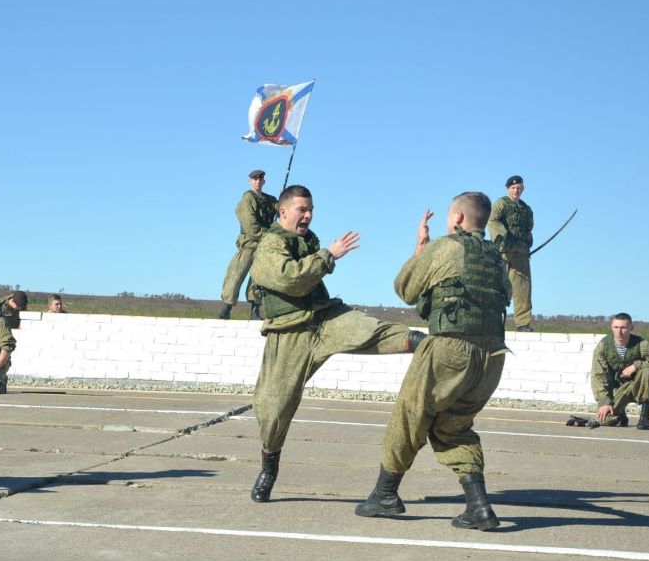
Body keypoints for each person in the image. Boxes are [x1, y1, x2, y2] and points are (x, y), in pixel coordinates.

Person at [247, 185, 424, 503]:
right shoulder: (270, 245)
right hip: (289, 332)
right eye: (302, 209)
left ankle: (423, 343)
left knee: (370, 330)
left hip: (325, 319)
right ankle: (269, 466)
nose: (308, 215)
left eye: (311, 209)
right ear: (283, 211)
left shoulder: (305, 241)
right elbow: (292, 280)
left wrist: (323, 254)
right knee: (274, 407)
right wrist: (328, 256)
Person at [356, 192, 511, 531]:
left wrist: (421, 249)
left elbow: (406, 288)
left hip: (449, 348)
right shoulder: (496, 258)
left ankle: (384, 495)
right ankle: (479, 507)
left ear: (457, 218)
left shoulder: (445, 247)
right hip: (491, 357)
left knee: (410, 416)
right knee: (454, 427)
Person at [588, 313, 649, 430]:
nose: (619, 331)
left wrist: (637, 365)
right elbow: (598, 376)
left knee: (647, 372)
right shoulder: (603, 346)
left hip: (638, 386)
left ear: (631, 328)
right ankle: (620, 415)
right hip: (618, 390)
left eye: (623, 327)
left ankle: (644, 418)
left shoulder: (642, 345)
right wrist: (604, 402)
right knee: (605, 420)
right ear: (612, 327)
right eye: (616, 327)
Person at [218, 169, 278, 320]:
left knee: (258, 278)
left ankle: (255, 309)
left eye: (260, 179)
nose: (257, 181)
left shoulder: (269, 199)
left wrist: (283, 200)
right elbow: (250, 225)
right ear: (250, 181)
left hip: (264, 246)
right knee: (236, 273)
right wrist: (266, 235)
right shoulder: (247, 199)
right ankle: (226, 308)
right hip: (250, 243)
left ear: (264, 181)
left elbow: (281, 209)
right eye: (255, 179)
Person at [487, 175, 534, 331]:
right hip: (503, 252)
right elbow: (493, 221)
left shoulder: (527, 209)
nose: (516, 190)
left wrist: (526, 246)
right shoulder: (501, 204)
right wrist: (506, 241)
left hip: (520, 254)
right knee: (497, 287)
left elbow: (528, 229)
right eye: (513, 188)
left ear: (523, 189)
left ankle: (523, 323)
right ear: (508, 189)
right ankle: (492, 321)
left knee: (523, 288)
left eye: (519, 188)